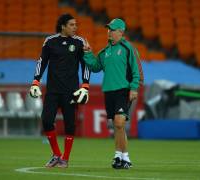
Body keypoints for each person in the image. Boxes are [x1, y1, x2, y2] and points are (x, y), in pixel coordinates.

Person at [29, 13, 91, 168]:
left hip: (71, 91)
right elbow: (41, 61)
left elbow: (86, 65)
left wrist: (85, 85)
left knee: (70, 125)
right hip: (53, 90)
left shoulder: (79, 42)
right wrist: (36, 80)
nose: (75, 27)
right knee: (46, 120)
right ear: (63, 26)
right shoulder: (50, 41)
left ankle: (65, 158)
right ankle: (56, 154)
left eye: (76, 25)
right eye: (71, 24)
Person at [83, 18, 143, 169]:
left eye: (112, 29)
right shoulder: (104, 52)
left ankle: (125, 157)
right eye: (108, 29)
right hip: (109, 91)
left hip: (124, 90)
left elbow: (136, 70)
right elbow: (95, 67)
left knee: (119, 122)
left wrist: (134, 88)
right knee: (117, 126)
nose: (109, 32)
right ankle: (120, 157)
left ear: (121, 32)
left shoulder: (128, 48)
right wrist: (88, 54)